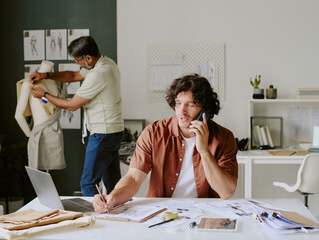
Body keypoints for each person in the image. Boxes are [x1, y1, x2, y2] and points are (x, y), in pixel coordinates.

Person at [93, 74, 238, 213]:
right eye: (178, 103)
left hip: (204, 213)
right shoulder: (154, 132)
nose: (182, 111)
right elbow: (133, 178)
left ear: (205, 110)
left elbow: (226, 192)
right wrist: (113, 197)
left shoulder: (224, 137)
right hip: (161, 213)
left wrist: (204, 151)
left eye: (191, 105)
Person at [30, 36, 124, 196]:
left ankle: (94, 220)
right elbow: (73, 76)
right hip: (113, 132)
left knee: (88, 184)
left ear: (88, 58)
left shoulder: (98, 74)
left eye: (77, 60)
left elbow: (72, 105)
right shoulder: (107, 63)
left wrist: (43, 95)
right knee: (113, 185)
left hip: (103, 133)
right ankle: (117, 217)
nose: (77, 64)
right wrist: (46, 76)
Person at [15, 60, 66, 170]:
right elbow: (18, 116)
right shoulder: (29, 84)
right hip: (38, 134)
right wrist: (30, 135)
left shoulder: (58, 84)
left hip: (55, 134)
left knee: (49, 173)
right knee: (39, 175)